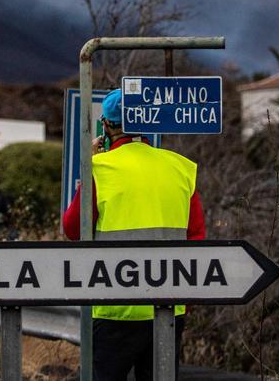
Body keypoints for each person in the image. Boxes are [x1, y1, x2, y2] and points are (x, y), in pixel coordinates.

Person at [63, 88, 206, 381]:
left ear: (106, 127)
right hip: (169, 307)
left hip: (114, 309)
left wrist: (88, 167)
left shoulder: (99, 169)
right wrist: (185, 300)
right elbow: (197, 239)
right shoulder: (180, 168)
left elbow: (73, 229)